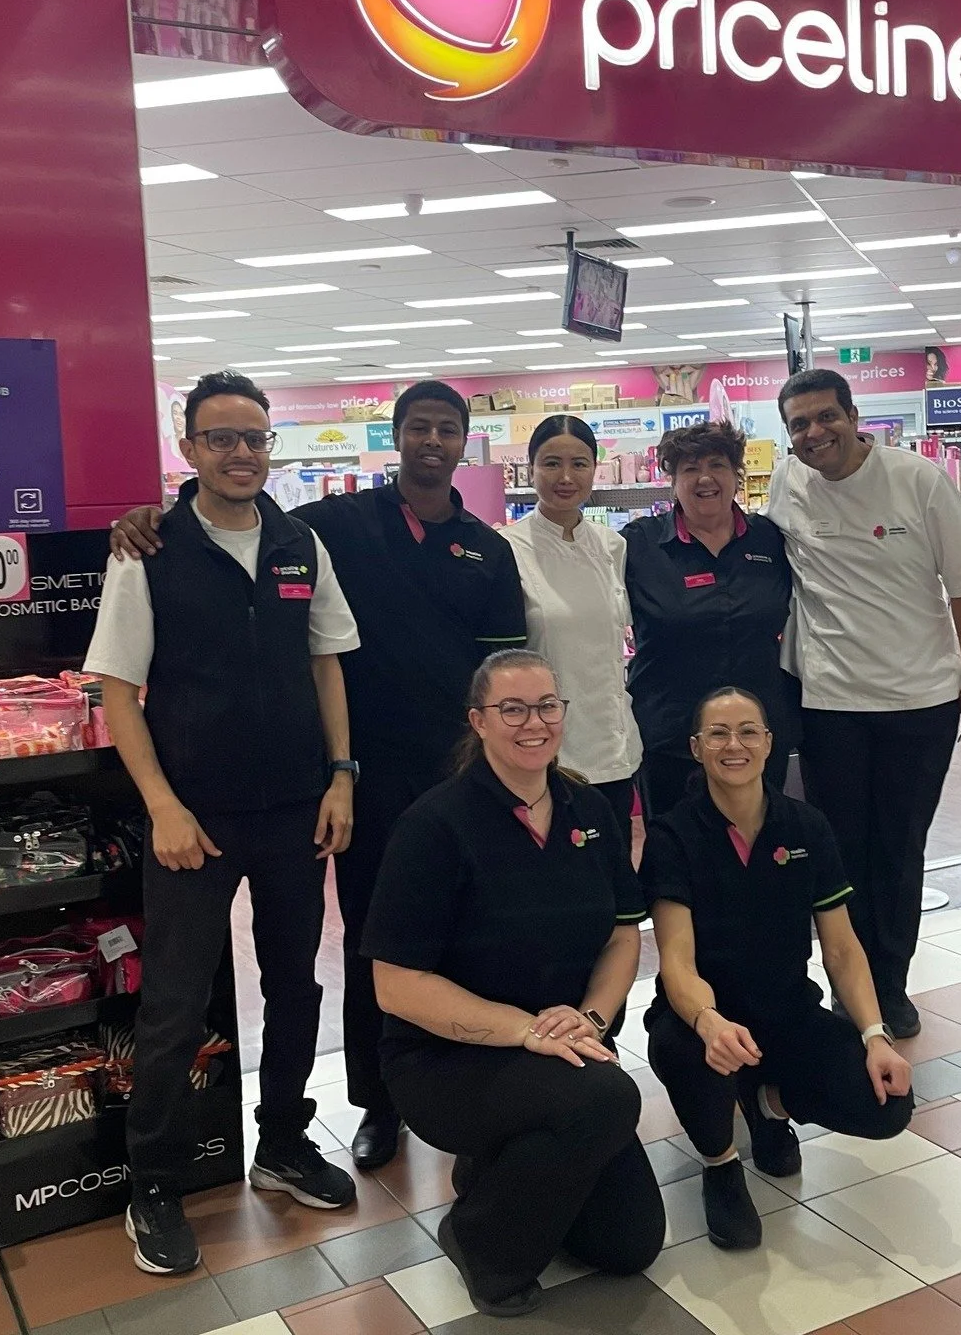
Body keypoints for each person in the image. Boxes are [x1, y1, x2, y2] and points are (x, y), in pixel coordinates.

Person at [110, 379, 527, 1170]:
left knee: (446, 941)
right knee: (356, 947)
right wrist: (138, 520)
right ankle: (372, 1104)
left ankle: (443, 1094)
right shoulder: (326, 527)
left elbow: (488, 668)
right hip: (315, 791)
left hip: (430, 780)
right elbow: (136, 668)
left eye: (447, 429)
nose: (432, 441)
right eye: (418, 428)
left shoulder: (479, 548)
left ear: (464, 442)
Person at [85, 370, 360, 1276]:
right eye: (221, 438)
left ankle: (281, 1142)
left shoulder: (298, 542)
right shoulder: (149, 550)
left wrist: (341, 778)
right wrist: (162, 805)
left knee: (296, 987)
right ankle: (153, 1186)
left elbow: (327, 665)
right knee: (172, 1006)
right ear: (190, 447)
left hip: (292, 810)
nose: (241, 453)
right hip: (192, 822)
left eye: (255, 437)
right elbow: (118, 691)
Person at [363, 651, 664, 1317]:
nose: (535, 723)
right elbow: (396, 985)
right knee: (606, 1098)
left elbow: (622, 934)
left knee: (629, 1245)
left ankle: (499, 1167)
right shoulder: (434, 827)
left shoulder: (588, 810)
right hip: (446, 1061)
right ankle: (479, 1243)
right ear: (479, 720)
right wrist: (525, 1031)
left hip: (562, 1047)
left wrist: (588, 1020)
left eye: (548, 705)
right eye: (513, 709)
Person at [767, 369, 961, 1039]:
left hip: (919, 700)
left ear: (853, 414)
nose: (815, 434)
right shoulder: (789, 481)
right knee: (840, 850)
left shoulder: (917, 480)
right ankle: (850, 984)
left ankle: (890, 985)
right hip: (829, 702)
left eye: (824, 417)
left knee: (899, 847)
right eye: (799, 425)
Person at [643, 688, 913, 1251]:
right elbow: (676, 959)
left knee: (887, 1103)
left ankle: (765, 1104)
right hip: (701, 1020)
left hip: (786, 1012)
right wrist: (709, 1022)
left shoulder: (806, 827)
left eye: (748, 731)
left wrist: (874, 1035)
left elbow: (841, 948)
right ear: (696, 748)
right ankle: (720, 1164)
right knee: (690, 1056)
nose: (733, 744)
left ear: (770, 744)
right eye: (718, 733)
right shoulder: (673, 836)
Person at [623, 422, 798, 822]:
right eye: (689, 468)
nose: (704, 478)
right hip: (672, 734)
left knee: (761, 844)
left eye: (717, 465)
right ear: (672, 480)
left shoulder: (770, 540)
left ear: (736, 474)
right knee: (676, 851)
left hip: (757, 731)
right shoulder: (638, 545)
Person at [505, 415, 642, 838]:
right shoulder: (507, 549)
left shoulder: (612, 546)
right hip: (539, 749)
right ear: (530, 470)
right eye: (551, 463)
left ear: (595, 468)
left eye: (579, 463)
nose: (566, 477)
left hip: (613, 743)